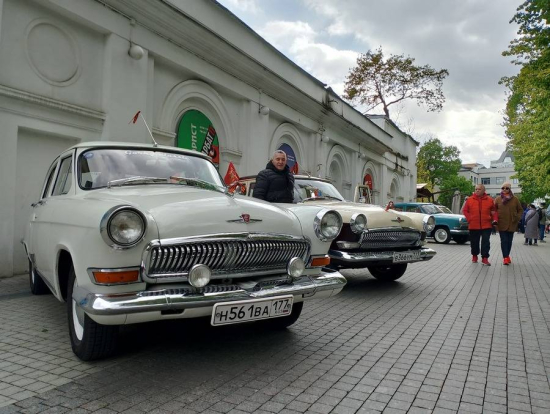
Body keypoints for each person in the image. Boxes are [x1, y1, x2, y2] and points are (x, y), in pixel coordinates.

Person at [462, 184, 497, 265]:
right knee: (474, 242)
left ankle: (485, 258)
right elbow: (465, 210)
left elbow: (494, 211)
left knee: (485, 242)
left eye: (479, 189)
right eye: (476, 189)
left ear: (484, 191)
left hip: (486, 225)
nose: (477, 190)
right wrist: (470, 219)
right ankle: (474, 255)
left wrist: (494, 219)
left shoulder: (490, 200)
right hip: (473, 225)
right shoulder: (470, 200)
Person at [494, 182, 524, 264]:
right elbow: (494, 210)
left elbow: (520, 210)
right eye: (503, 188)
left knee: (509, 241)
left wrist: (517, 218)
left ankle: (507, 256)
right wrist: (495, 219)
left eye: (506, 188)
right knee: (504, 240)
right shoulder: (497, 199)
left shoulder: (515, 199)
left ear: (510, 189)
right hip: (501, 223)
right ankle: (505, 257)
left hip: (512, 223)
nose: (504, 189)